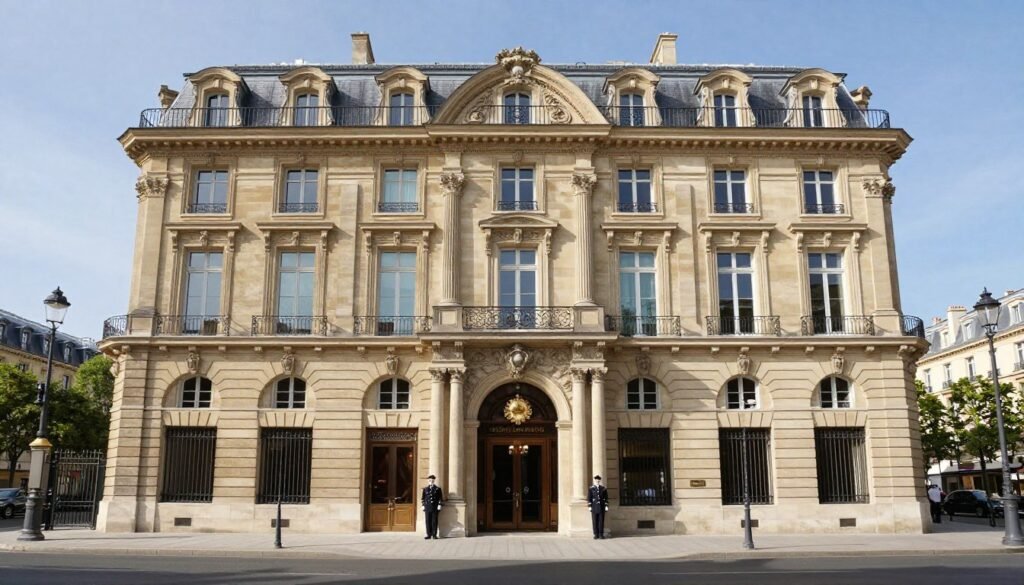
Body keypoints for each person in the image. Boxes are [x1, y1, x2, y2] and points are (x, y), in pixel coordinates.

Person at [421, 474, 443, 540]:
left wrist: (439, 505)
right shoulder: (425, 489)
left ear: (434, 481)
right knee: (428, 521)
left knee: (434, 521)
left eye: (432, 480)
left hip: (434, 507)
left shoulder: (438, 489)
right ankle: (428, 534)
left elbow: (440, 498)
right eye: (430, 480)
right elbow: (423, 498)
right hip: (427, 507)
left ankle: (434, 534)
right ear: (428, 481)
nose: (431, 481)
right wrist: (423, 505)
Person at [587, 475, 609, 539]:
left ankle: (601, 534)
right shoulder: (591, 488)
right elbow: (589, 498)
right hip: (594, 507)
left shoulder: (603, 488)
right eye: (596, 480)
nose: (597, 481)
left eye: (598, 480)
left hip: (601, 507)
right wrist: (589, 506)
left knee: (601, 521)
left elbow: (606, 498)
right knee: (595, 521)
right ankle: (596, 534)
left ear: (600, 481)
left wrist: (606, 506)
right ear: (595, 480)